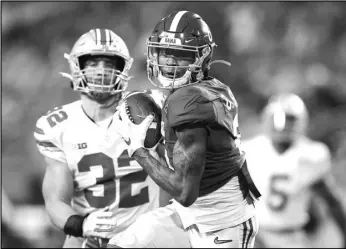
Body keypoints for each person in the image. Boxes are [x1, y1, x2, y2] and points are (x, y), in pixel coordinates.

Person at [109, 10, 261, 248]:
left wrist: (137, 149)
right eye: (164, 52)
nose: (169, 62)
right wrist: (162, 133)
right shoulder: (215, 89)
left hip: (222, 223)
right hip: (187, 214)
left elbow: (184, 192)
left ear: (203, 57)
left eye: (179, 55)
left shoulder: (187, 100)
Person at [33, 29, 164, 248]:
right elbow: (56, 201)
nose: (101, 71)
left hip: (143, 238)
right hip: (89, 238)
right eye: (93, 64)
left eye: (109, 64)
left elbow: (179, 174)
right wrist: (80, 224)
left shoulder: (148, 110)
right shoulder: (57, 126)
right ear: (78, 68)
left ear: (122, 69)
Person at [242, 93, 346, 248]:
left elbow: (330, 199)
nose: (283, 125)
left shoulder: (311, 154)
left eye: (290, 119)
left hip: (292, 237)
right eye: (278, 118)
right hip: (257, 235)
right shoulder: (248, 150)